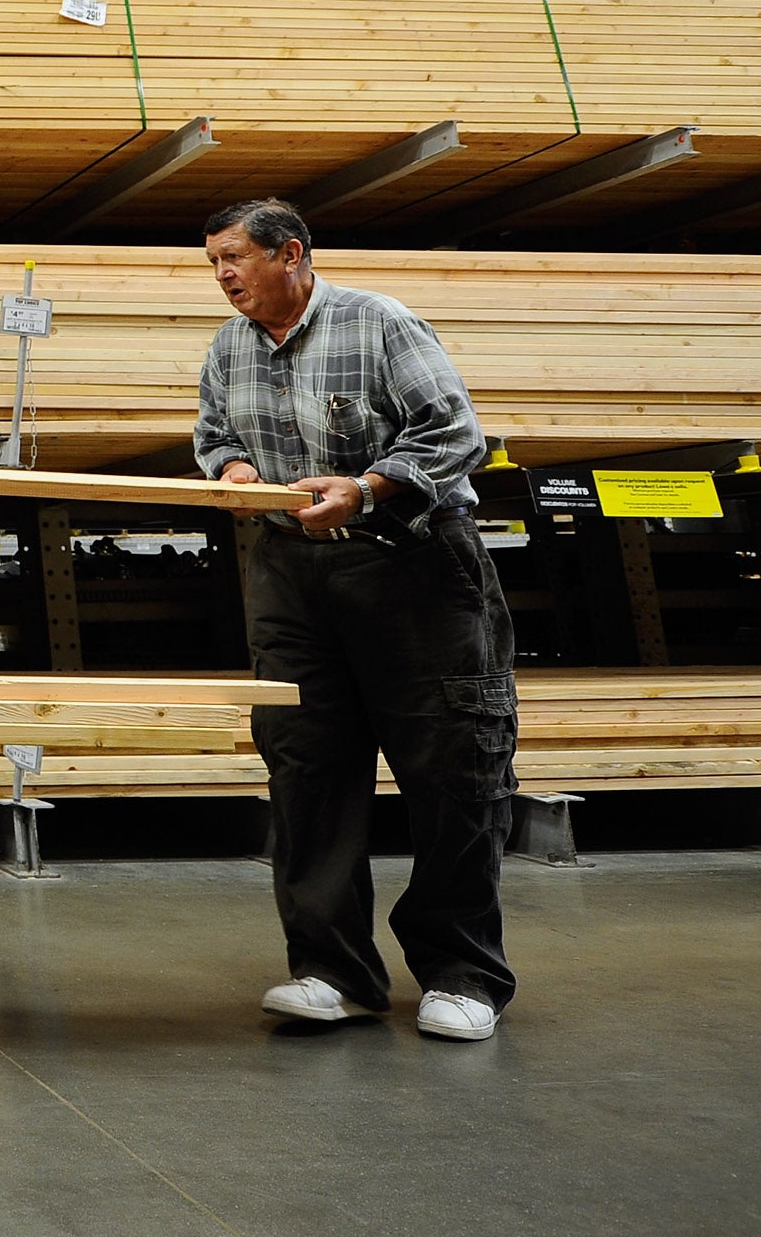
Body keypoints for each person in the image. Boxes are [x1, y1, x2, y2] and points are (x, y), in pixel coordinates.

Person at [191, 199, 517, 1042]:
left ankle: (461, 973)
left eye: (234, 257)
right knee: (307, 766)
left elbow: (456, 433)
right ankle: (331, 969)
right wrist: (230, 466)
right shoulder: (229, 345)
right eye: (213, 262)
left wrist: (367, 487)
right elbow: (212, 431)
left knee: (451, 766)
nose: (223, 275)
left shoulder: (379, 323)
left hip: (410, 565)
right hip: (288, 573)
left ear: (290, 252)